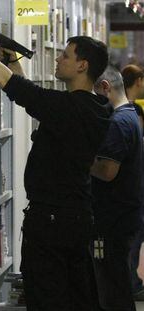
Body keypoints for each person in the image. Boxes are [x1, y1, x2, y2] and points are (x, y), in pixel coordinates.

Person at [0, 12, 112, 310]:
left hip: (51, 223)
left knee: (47, 297)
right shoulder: (92, 107)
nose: (58, 60)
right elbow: (33, 98)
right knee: (74, 297)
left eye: (65, 56)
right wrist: (13, 61)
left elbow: (9, 84)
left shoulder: (69, 108)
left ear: (82, 65)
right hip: (75, 217)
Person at [90, 66, 144, 311]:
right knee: (118, 283)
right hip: (126, 213)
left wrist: (82, 159)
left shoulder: (119, 123)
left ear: (105, 88)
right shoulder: (131, 115)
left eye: (96, 93)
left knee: (114, 288)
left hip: (115, 218)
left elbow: (108, 172)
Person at [121, 64, 144, 300]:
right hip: (132, 188)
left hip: (132, 186)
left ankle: (131, 282)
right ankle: (130, 284)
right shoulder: (130, 113)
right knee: (133, 239)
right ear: (138, 80)